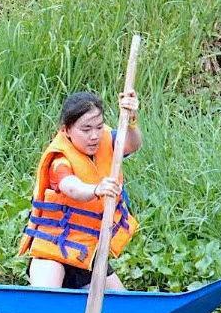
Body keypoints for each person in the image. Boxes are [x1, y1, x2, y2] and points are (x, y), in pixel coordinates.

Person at [21, 90, 141, 291]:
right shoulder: (59, 159)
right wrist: (96, 189)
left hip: (87, 252)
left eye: (98, 127)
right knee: (46, 303)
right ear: (67, 130)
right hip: (53, 249)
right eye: (86, 129)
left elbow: (131, 144)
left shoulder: (106, 139)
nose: (94, 136)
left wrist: (130, 119)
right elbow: (71, 187)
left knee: (122, 306)